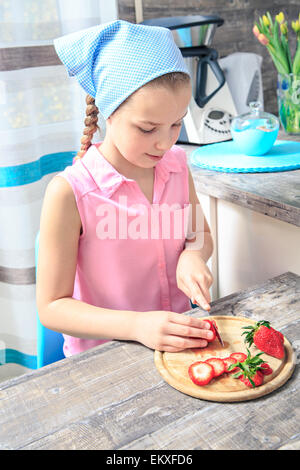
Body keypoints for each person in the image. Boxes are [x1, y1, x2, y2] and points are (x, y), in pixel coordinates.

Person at [36, 19, 214, 357]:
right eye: (147, 128)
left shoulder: (176, 165)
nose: (164, 143)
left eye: (176, 123)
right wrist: (137, 326)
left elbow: (198, 233)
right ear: (109, 111)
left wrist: (193, 255)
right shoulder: (70, 193)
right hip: (107, 357)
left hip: (179, 344)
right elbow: (52, 307)